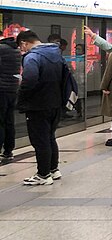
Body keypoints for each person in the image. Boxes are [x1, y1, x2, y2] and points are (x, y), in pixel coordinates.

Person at [16, 31, 64, 185]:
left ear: (24, 43)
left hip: (38, 105)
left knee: (40, 140)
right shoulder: (56, 54)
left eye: (20, 47)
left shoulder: (32, 57)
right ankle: (53, 169)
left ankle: (43, 175)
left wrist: (22, 93)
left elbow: (30, 79)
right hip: (55, 102)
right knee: (50, 136)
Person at [0, 36, 21, 160]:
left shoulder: (1, 49)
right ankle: (8, 150)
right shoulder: (15, 49)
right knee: (9, 120)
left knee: (0, 121)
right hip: (12, 89)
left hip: (1, 89)